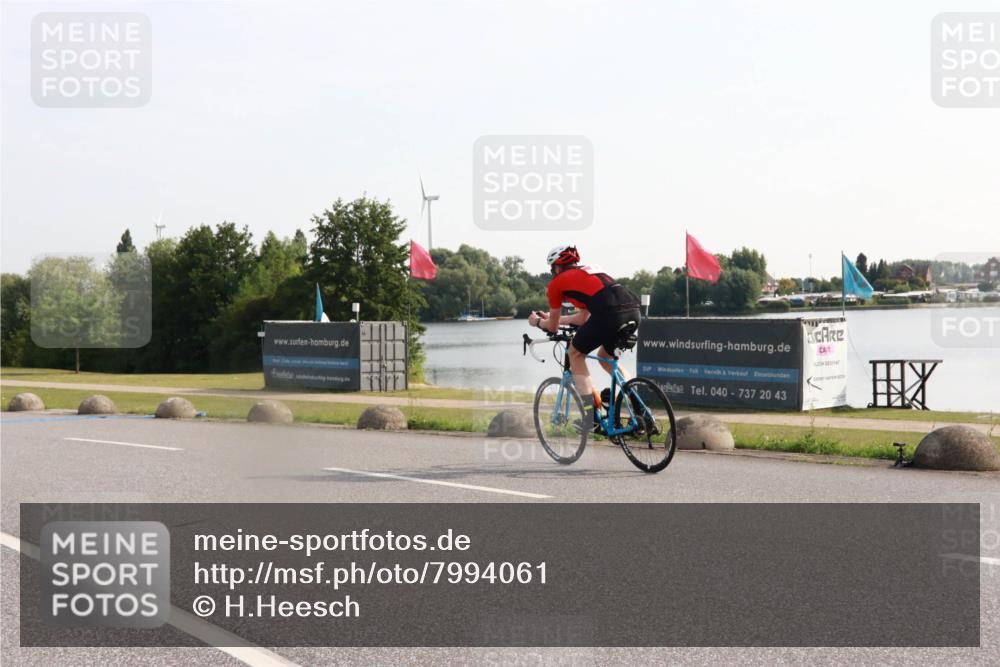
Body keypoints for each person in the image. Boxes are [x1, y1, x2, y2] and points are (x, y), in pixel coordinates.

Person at [527, 245, 641, 431]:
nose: (552, 272)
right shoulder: (589, 272)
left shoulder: (557, 283)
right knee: (605, 356)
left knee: (575, 353)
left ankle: (591, 419)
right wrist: (550, 318)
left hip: (609, 314)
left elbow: (553, 327)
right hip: (633, 311)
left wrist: (538, 322)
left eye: (552, 268)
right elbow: (582, 318)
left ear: (556, 267)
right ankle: (640, 411)